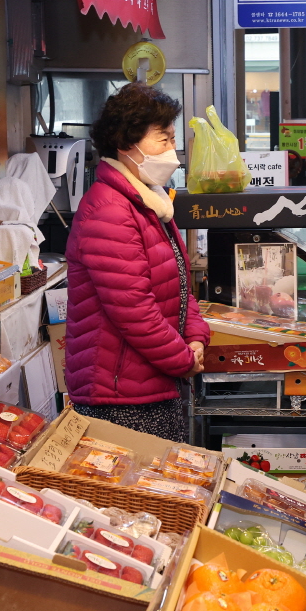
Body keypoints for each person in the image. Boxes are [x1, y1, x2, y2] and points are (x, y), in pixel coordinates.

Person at [64, 82, 209, 441]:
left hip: (155, 382)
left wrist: (196, 337)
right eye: (163, 139)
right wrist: (182, 359)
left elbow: (178, 282)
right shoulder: (109, 210)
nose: (172, 151)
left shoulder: (150, 201)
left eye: (172, 139)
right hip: (121, 395)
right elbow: (134, 310)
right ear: (127, 143)